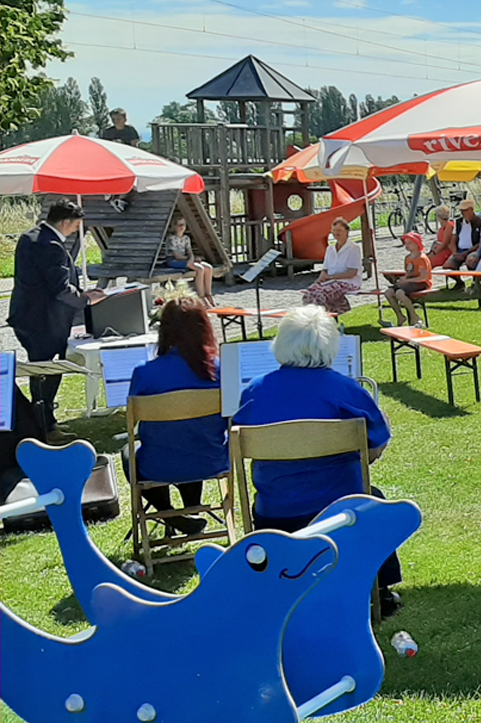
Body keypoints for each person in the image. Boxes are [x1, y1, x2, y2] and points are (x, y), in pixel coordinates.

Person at [232, 305, 401, 613]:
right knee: (374, 499)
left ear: (281, 343)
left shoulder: (255, 391)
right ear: (329, 345)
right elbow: (378, 441)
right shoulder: (346, 389)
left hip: (275, 512)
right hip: (340, 512)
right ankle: (382, 591)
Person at [124, 298, 229, 536]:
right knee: (193, 436)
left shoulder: (144, 373)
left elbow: (132, 422)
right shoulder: (220, 370)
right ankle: (190, 511)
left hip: (158, 465)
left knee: (130, 453)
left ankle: (168, 513)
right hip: (211, 461)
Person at [7, 200, 105, 443]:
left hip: (26, 316)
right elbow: (60, 289)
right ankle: (44, 426)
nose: (75, 231)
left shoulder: (29, 237)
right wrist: (85, 299)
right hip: (44, 320)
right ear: (65, 222)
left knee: (40, 371)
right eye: (75, 226)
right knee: (47, 372)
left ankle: (43, 421)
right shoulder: (50, 245)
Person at [302, 217, 362, 314]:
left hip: (348, 282)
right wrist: (318, 281)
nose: (336, 233)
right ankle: (312, 318)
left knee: (321, 296)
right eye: (334, 230)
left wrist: (331, 277)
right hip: (330, 281)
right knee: (309, 294)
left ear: (346, 232)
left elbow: (352, 273)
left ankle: (325, 318)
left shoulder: (353, 248)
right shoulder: (330, 249)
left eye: (339, 230)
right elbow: (325, 269)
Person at [165, 217, 215, 308]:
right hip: (174, 261)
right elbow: (177, 256)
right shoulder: (171, 239)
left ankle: (209, 294)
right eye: (180, 225)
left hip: (186, 260)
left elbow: (190, 252)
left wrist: (193, 258)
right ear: (175, 226)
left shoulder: (186, 238)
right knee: (199, 269)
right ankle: (201, 297)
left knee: (208, 268)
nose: (182, 227)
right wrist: (191, 260)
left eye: (183, 225)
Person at [385, 231, 431, 327]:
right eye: (405, 243)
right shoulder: (408, 258)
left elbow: (424, 277)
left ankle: (414, 315)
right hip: (410, 282)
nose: (406, 245)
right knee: (388, 292)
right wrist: (401, 280)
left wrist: (406, 280)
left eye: (409, 243)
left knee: (399, 293)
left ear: (417, 243)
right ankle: (400, 316)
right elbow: (408, 273)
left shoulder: (422, 259)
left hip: (421, 283)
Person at [444, 199, 481, 285]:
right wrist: (455, 253)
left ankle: (476, 282)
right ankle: (459, 283)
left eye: (465, 210)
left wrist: (466, 253)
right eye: (461, 210)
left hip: (473, 250)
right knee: (448, 266)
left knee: (471, 260)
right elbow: (453, 239)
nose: (462, 213)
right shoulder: (458, 222)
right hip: (459, 250)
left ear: (471, 210)